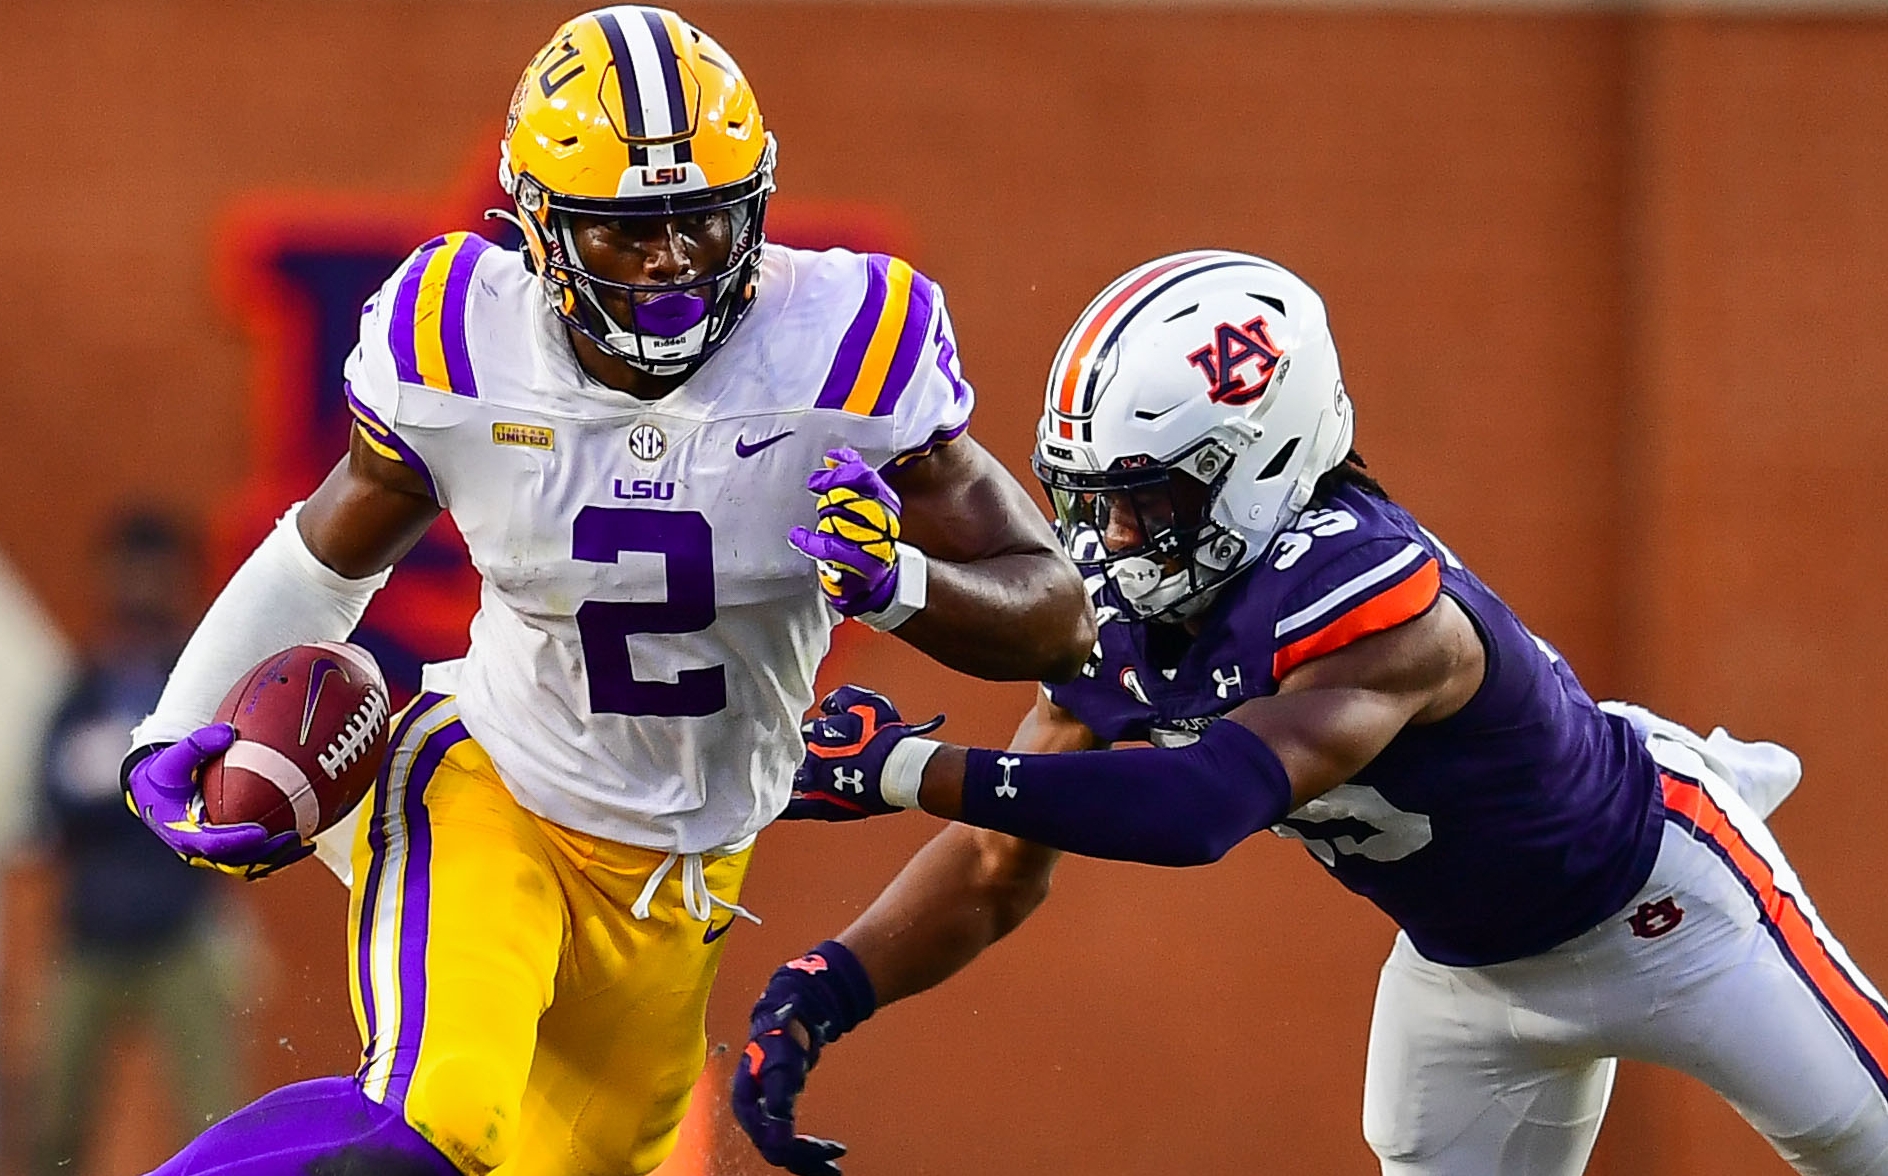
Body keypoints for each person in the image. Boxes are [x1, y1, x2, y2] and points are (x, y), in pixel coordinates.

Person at [114, 7, 1096, 1175]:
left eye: (701, 217)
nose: (674, 257)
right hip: (493, 789)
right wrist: (176, 729)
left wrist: (899, 585)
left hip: (683, 878)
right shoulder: (461, 346)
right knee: (436, 1122)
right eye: (630, 232)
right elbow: (324, 556)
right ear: (539, 226)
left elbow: (1057, 615)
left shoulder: (842, 348)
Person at [733, 250, 1888, 1176]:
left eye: (1144, 504)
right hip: (1466, 975)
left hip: (1660, 905)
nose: (1105, 539)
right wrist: (821, 991)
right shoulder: (1137, 603)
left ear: (1262, 460)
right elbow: (996, 863)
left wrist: (903, 769)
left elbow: (1201, 808)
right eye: (1086, 498)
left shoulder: (1375, 599)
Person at [31, 509, 243, 1171]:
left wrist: (115, 780)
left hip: (180, 932)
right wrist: (109, 785)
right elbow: (46, 800)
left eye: (155, 574)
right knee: (54, 1123)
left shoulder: (197, 683)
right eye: (130, 572)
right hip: (90, 936)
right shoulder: (83, 686)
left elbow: (227, 801)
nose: (141, 590)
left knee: (214, 1115)